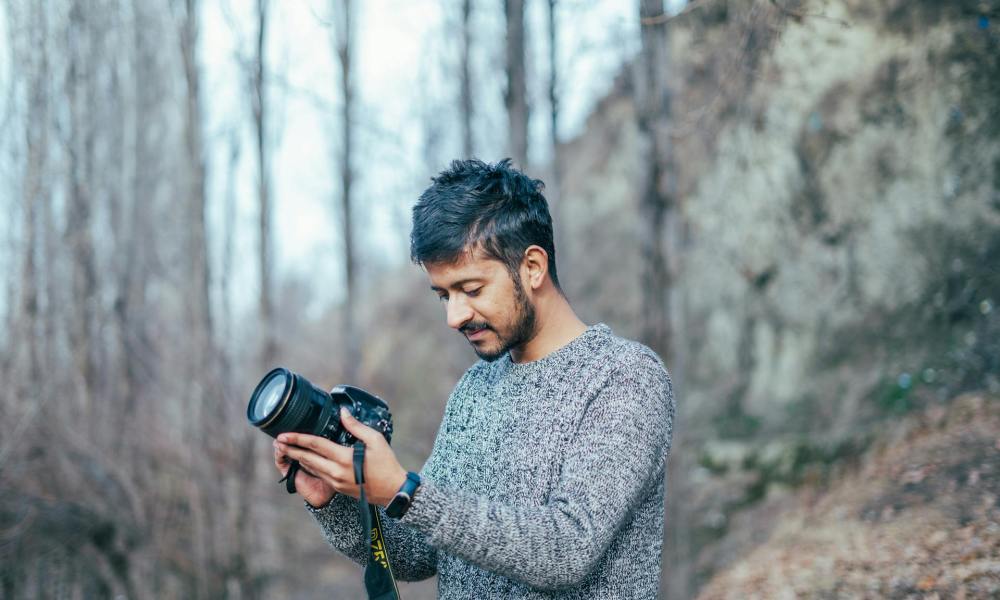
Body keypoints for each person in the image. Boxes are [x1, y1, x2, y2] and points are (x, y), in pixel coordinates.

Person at [273, 158, 675, 599]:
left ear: (533, 267)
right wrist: (335, 500)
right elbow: (423, 552)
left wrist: (406, 491)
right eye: (443, 295)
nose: (454, 316)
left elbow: (567, 550)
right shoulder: (474, 389)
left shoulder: (625, 377)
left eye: (471, 289)